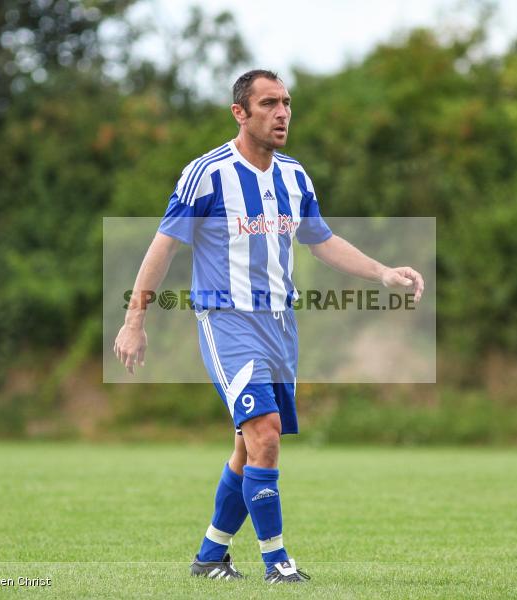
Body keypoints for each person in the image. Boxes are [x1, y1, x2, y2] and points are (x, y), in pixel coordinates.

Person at [113, 69, 424, 584]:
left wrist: (383, 272)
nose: (282, 113)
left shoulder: (295, 175)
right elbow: (164, 245)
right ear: (241, 112)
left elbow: (320, 239)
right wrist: (134, 319)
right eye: (269, 104)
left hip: (281, 325)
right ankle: (278, 563)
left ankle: (210, 556)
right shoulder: (207, 174)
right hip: (227, 320)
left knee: (249, 445)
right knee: (266, 433)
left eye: (286, 103)